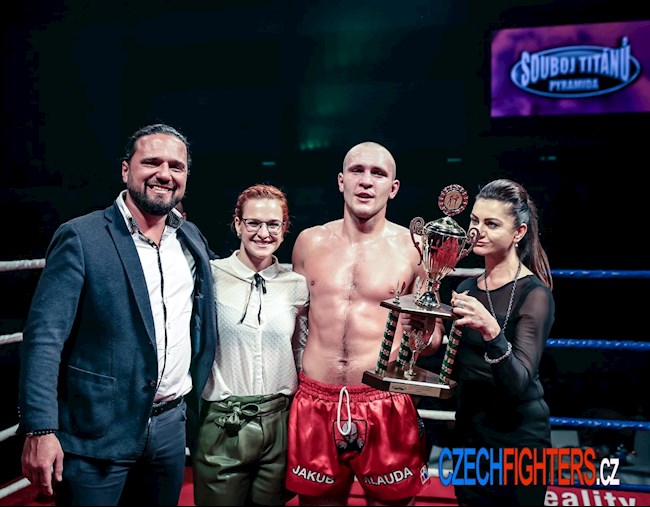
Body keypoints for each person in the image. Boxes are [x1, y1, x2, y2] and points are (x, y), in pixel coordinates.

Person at [17, 123, 218, 506]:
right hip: (96, 430)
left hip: (170, 426)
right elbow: (44, 338)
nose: (164, 174)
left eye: (176, 166)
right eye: (152, 162)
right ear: (126, 170)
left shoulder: (190, 237)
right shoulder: (82, 237)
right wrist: (39, 428)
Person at [286, 141, 444, 506]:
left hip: (384, 401)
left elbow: (433, 339)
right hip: (315, 401)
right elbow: (294, 324)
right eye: (357, 171)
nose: (366, 181)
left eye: (378, 173)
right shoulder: (309, 242)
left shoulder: (415, 248)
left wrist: (422, 332)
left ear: (394, 187)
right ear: (341, 181)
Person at [193, 183, 309, 506]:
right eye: (254, 222)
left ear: (284, 229)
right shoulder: (210, 276)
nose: (263, 233)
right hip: (223, 420)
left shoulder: (296, 285)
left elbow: (300, 351)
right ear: (238, 224)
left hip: (279, 421)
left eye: (273, 224)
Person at [448, 178, 555, 506]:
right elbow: (456, 370)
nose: (477, 231)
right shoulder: (465, 288)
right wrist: (428, 338)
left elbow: (519, 383)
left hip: (519, 439)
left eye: (491, 224)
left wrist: (492, 331)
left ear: (519, 232)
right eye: (474, 220)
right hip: (470, 436)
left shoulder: (535, 294)